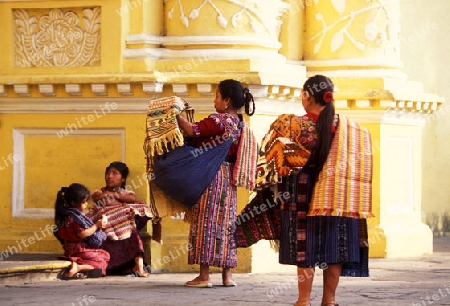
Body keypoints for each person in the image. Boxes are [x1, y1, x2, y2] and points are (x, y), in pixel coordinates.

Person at [234, 75, 373, 306]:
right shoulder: (353, 130)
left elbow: (272, 162)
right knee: (335, 245)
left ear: (307, 96)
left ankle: (303, 300)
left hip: (301, 193)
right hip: (338, 195)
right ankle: (329, 300)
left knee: (305, 243)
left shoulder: (292, 125)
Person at [175, 79, 257, 288]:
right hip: (229, 179)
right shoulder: (240, 125)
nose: (214, 101)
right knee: (226, 225)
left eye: (217, 96)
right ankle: (227, 276)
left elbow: (193, 131)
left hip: (210, 175)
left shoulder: (219, 120)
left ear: (227, 100)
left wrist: (173, 114)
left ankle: (204, 276)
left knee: (205, 223)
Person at [90, 161, 152, 277]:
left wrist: (113, 195)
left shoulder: (127, 192)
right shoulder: (98, 192)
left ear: (123, 179)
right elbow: (104, 200)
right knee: (130, 227)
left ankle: (138, 264)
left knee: (132, 230)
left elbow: (132, 198)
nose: (110, 176)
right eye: (108, 173)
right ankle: (135, 265)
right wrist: (120, 201)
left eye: (114, 173)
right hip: (106, 229)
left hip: (125, 226)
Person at [54, 183, 110, 280]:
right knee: (103, 259)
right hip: (78, 250)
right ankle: (78, 267)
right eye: (84, 202)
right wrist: (96, 226)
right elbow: (82, 234)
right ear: (73, 203)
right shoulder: (74, 218)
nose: (87, 204)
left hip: (70, 249)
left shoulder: (67, 216)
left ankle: (81, 268)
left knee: (104, 255)